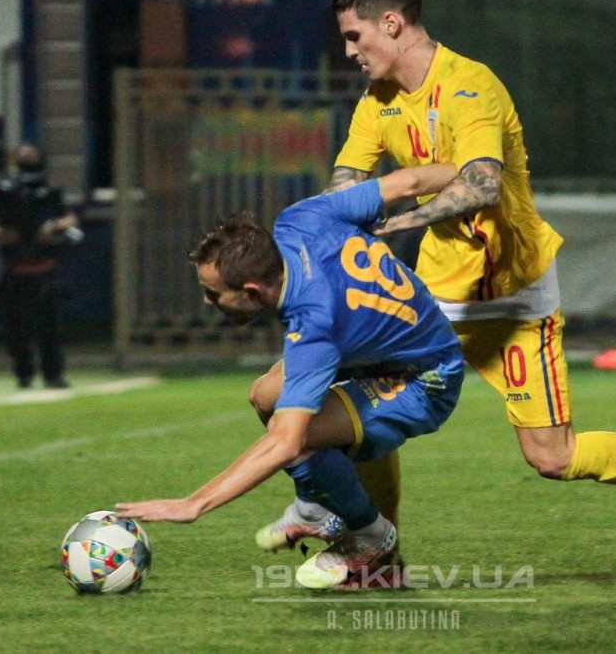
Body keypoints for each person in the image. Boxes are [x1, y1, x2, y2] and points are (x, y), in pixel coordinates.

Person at [252, 0, 616, 568]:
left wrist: (396, 223)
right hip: (431, 300)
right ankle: (377, 557)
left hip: (515, 298)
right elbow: (344, 188)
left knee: (553, 456)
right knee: (305, 400)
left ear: (392, 23)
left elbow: (482, 185)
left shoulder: (470, 86)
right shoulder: (376, 103)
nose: (349, 51)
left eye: (355, 36)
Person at [116, 163, 464, 590]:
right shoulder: (301, 219)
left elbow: (284, 442)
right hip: (381, 350)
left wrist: (194, 504)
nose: (207, 302)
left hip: (424, 379)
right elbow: (408, 182)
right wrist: (474, 170)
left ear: (251, 291)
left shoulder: (314, 328)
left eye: (213, 293)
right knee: (265, 396)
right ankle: (315, 509)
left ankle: (370, 535)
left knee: (296, 440)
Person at [0, 142, 80, 388]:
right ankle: (24, 373)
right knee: (17, 328)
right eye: (22, 155)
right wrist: (5, 234)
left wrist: (53, 226)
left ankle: (53, 374)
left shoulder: (50, 191)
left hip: (44, 269)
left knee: (49, 327)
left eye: (31, 154)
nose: (26, 157)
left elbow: (70, 219)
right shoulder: (6, 192)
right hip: (16, 270)